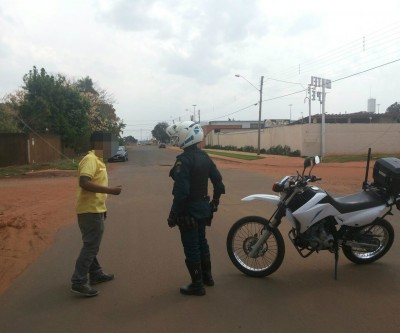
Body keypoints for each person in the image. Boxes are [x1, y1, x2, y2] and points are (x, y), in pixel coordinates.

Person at [166, 121, 225, 296]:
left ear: (186, 136)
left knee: (192, 246)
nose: (175, 139)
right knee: (202, 243)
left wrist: (173, 214)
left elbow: (181, 192)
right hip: (203, 208)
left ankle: (197, 285)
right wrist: (214, 202)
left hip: (188, 211)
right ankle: (208, 277)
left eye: (177, 136)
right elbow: (219, 182)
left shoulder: (183, 160)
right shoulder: (205, 156)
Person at [71, 146, 122, 297]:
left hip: (95, 209)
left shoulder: (98, 160)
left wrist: (103, 207)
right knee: (91, 246)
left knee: (91, 245)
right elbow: (84, 183)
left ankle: (96, 273)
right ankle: (78, 281)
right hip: (89, 210)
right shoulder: (90, 160)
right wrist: (111, 190)